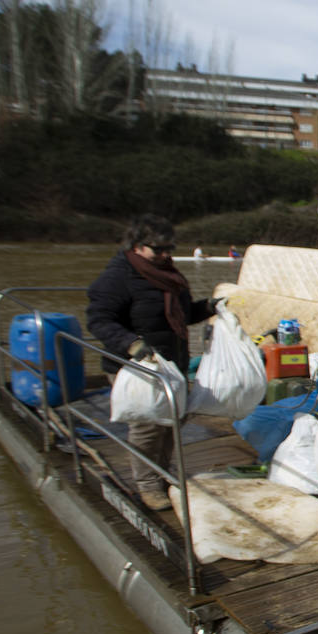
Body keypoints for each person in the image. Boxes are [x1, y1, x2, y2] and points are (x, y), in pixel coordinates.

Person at [87, 214, 217, 511]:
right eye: (157, 249)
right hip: (135, 366)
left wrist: (208, 307)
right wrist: (131, 344)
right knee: (147, 427)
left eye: (169, 248)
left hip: (170, 363)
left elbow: (181, 316)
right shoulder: (119, 276)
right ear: (136, 246)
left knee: (170, 421)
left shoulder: (169, 275)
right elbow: (98, 320)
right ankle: (147, 485)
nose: (165, 254)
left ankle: (161, 470)